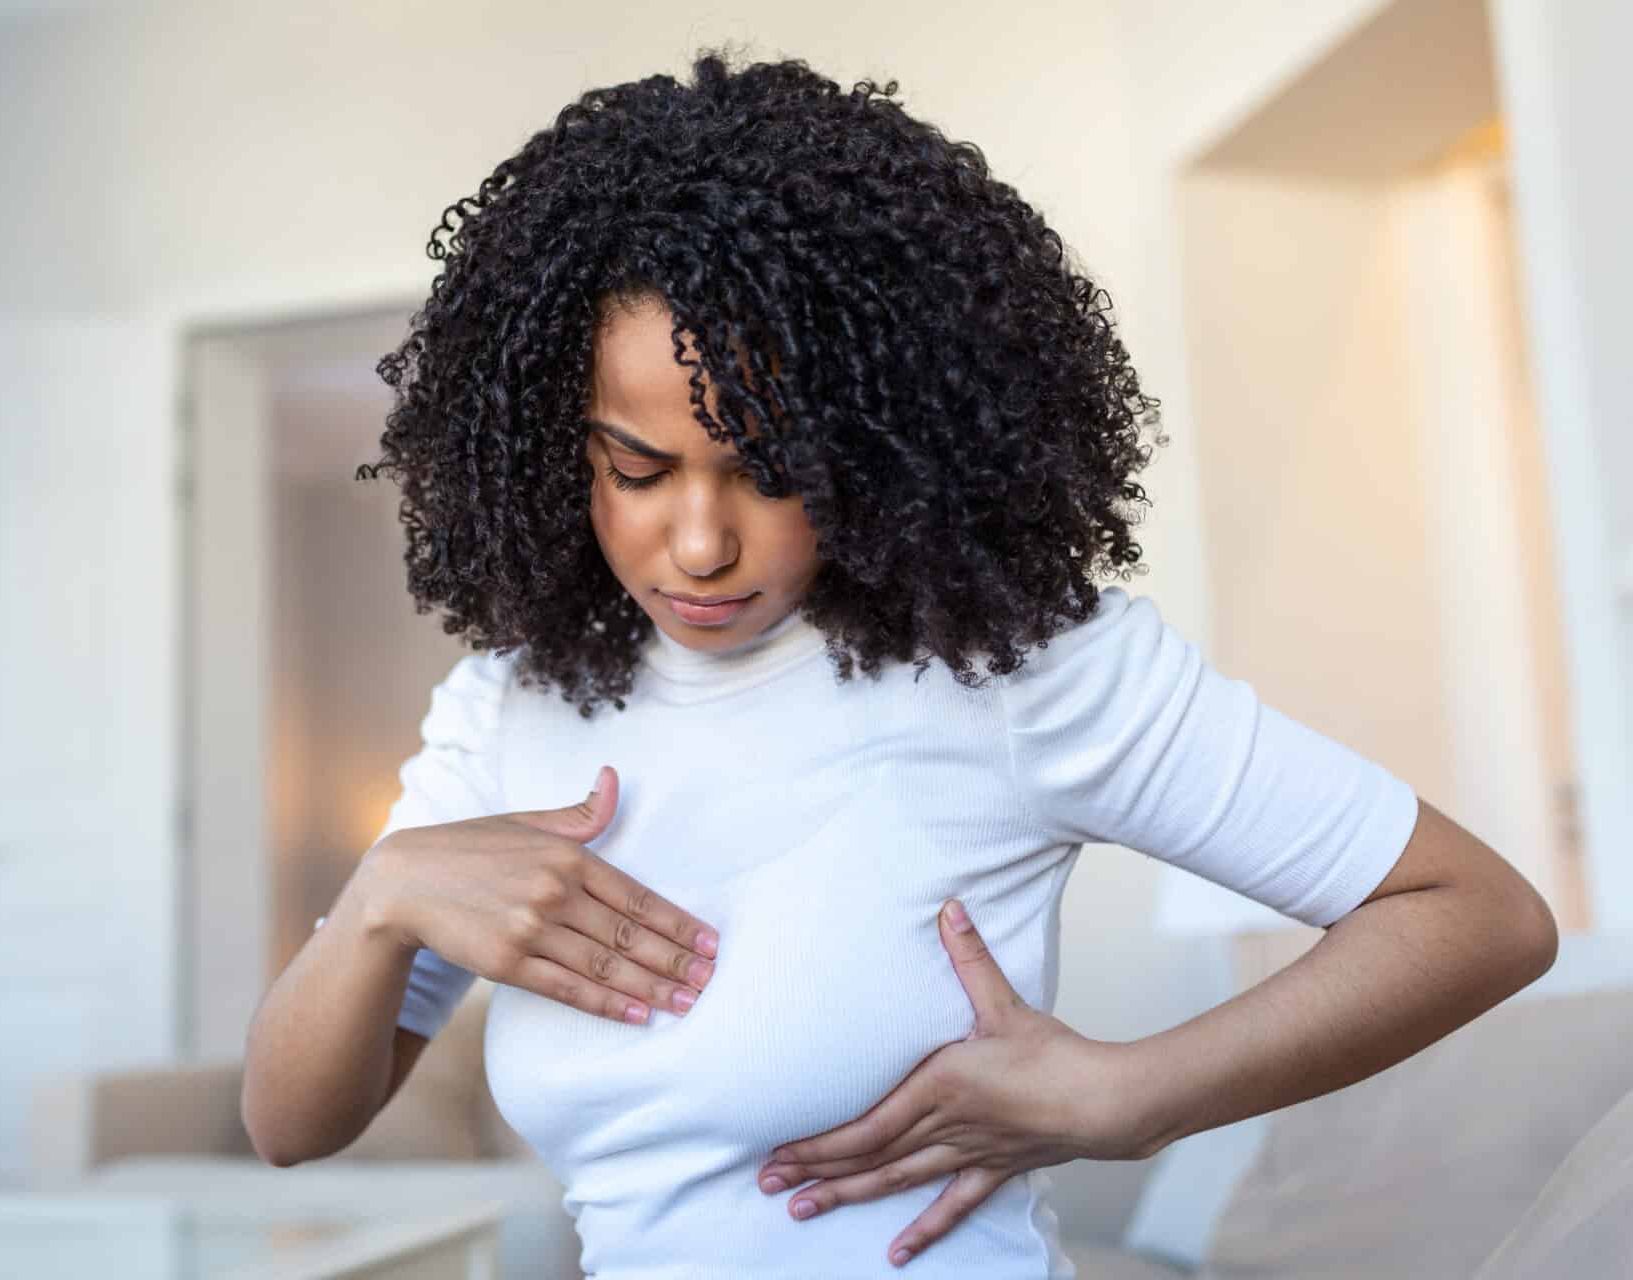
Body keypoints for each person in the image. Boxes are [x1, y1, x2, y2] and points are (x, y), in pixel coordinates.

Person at [241, 48, 1560, 1277]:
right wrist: (384, 897)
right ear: (550, 450)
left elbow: (1478, 915)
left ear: (878, 443)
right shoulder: (506, 715)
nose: (698, 542)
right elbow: (293, 1126)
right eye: (636, 470)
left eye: (772, 475)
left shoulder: (1016, 670)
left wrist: (1133, 1095)